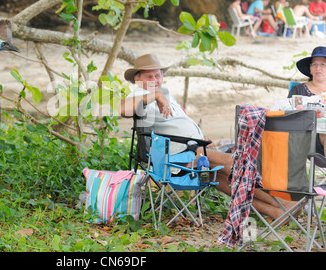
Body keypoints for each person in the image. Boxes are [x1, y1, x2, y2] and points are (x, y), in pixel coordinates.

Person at [120, 53, 298, 220]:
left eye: (157, 76)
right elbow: (123, 110)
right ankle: (283, 203)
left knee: (220, 178)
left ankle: (275, 212)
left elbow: (180, 121)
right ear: (137, 79)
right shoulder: (139, 95)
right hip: (174, 156)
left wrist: (202, 137)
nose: (154, 80)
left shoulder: (165, 93)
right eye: (148, 77)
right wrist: (156, 95)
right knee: (234, 163)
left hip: (194, 148)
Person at [288, 46, 326, 155]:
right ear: (310, 69)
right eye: (314, 64)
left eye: (323, 64)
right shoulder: (299, 90)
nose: (318, 67)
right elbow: (291, 116)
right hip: (307, 139)